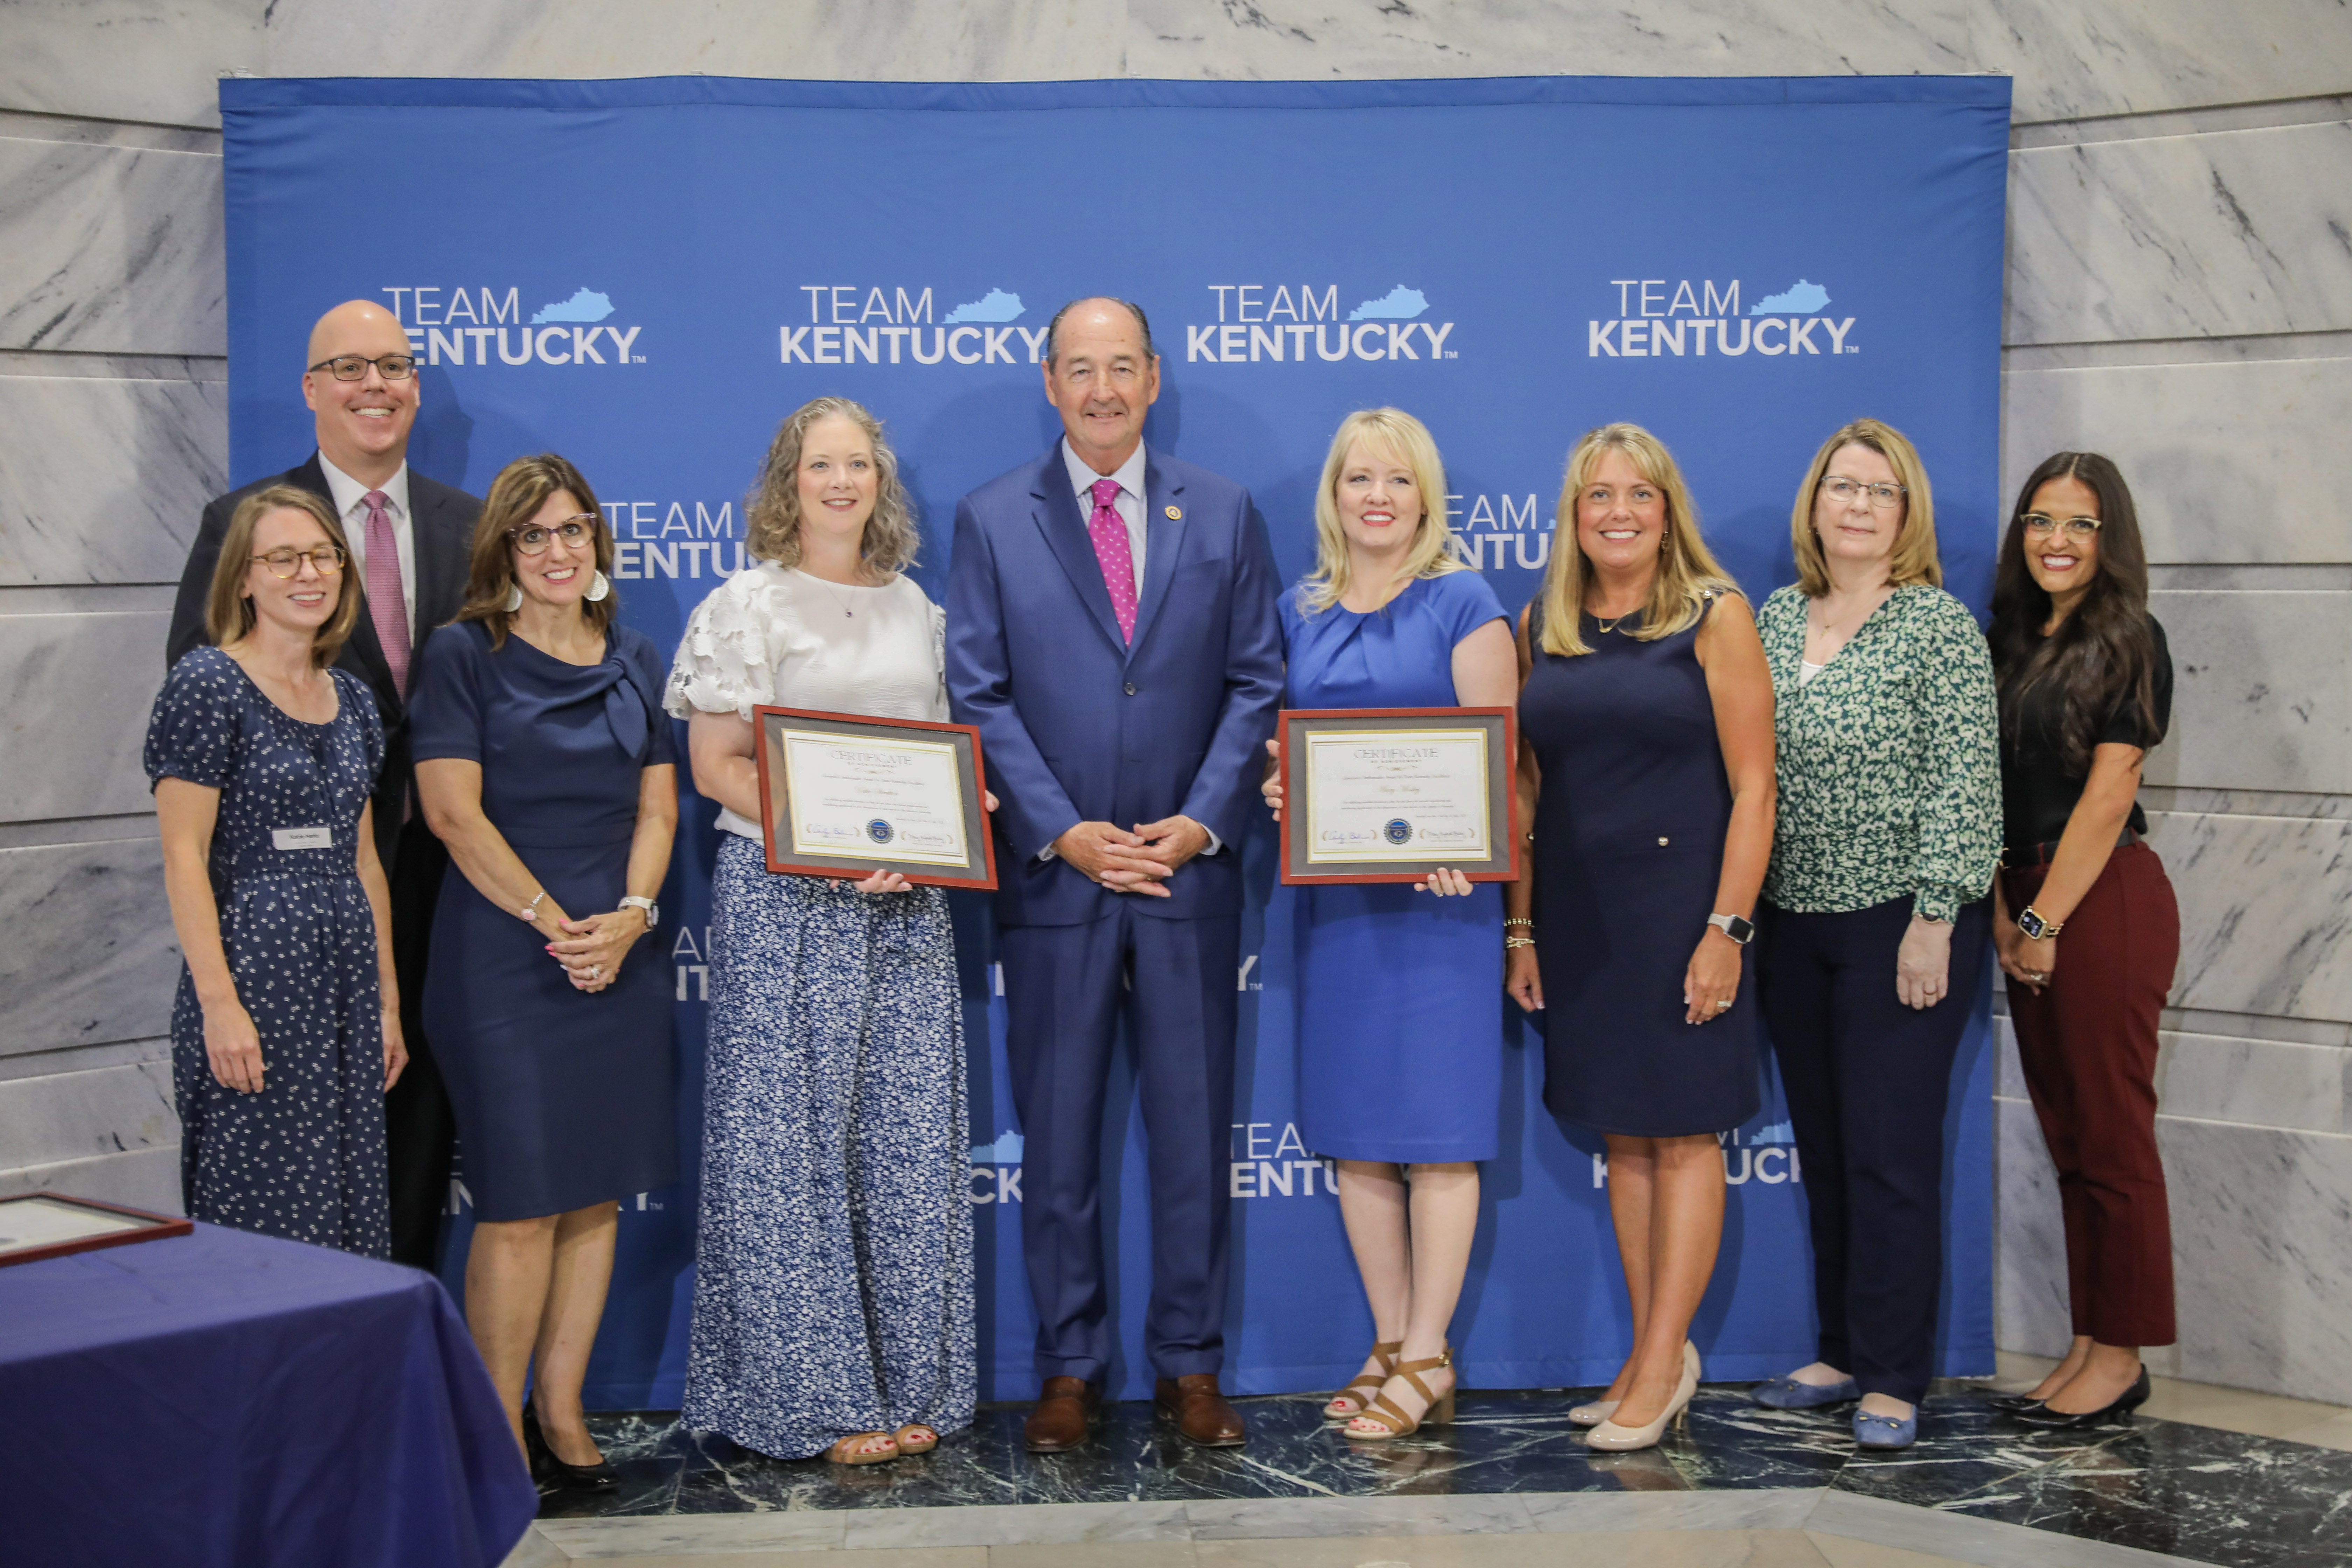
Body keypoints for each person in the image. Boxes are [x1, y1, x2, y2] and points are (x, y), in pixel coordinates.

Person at [945, 296, 1284, 1453]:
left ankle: (1193, 1366)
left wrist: (1199, 823)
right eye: (1079, 369)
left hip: (1188, 878)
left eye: (1121, 368)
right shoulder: (992, 518)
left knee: (1194, 1139)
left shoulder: (1225, 511)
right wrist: (1063, 829)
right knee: (1060, 1142)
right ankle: (1068, 1368)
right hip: (1059, 882)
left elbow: (1254, 680)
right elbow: (978, 692)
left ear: (1153, 379)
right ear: (1050, 382)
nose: (1100, 389)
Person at [669, 398, 976, 1468]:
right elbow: (717, 767)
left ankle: (913, 1382)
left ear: (880, 481)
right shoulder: (745, 606)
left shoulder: (915, 610)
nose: (840, 483)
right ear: (786, 482)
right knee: (787, 1152)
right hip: (785, 897)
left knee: (904, 1145)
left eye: (858, 465)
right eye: (820, 466)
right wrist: (836, 844)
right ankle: (814, 1398)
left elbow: (933, 761)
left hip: (904, 903)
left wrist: (947, 830)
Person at [167, 300, 481, 1271]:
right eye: (350, 367)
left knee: (418, 1134)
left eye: (395, 365)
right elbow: (195, 747)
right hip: (271, 923)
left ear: (417, 385)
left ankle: (392, 1354)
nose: (375, 386)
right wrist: (220, 986)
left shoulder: (471, 527)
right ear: (311, 389)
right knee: (264, 1185)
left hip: (436, 885)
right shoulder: (244, 522)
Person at [1506, 423, 1776, 1453]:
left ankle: (1666, 1363)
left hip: (1683, 911)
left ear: (1669, 511)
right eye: (1597, 496)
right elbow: (1529, 787)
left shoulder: (1716, 615)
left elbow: (1756, 787)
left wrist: (1727, 929)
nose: (1618, 512)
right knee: (1623, 1136)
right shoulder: (1546, 621)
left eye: (1639, 495)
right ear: (1574, 516)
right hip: (1581, 915)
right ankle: (1643, 1354)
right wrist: (1521, 923)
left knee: (1684, 1133)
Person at [410, 454, 679, 1490]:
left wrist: (630, 918)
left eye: (574, 531)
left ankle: (563, 1416)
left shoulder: (637, 655)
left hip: (618, 953)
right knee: (521, 1201)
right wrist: (552, 921)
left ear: (597, 543)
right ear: (504, 551)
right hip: (504, 958)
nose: (559, 551)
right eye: (535, 535)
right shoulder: (462, 656)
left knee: (595, 1196)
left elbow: (658, 809)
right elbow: (450, 813)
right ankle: (491, 1427)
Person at [1257, 409, 1513, 1440]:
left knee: (1438, 1138)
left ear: (1424, 496)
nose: (1377, 496)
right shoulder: (1299, 608)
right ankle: (1387, 1336)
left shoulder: (1465, 602)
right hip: (1340, 908)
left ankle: (1428, 1352)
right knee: (1359, 1139)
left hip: (1442, 906)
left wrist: (1474, 831)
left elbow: (1499, 758)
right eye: (1360, 477)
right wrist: (1284, 789)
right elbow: (1288, 746)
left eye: (1397, 481)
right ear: (1334, 493)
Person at [1749, 417, 1999, 1450]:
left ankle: (1895, 1375)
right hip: (1790, 924)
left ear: (1908, 516)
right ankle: (1843, 1346)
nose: (1857, 505)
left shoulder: (1936, 627)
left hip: (1902, 918)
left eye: (1880, 492)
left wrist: (1935, 918)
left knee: (1892, 1154)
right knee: (1827, 1146)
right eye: (1842, 487)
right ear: (1815, 502)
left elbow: (1964, 782)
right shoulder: (1770, 619)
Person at [147, 486, 403, 1253]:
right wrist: (221, 1007)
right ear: (243, 579)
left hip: (346, 991)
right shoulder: (207, 684)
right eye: (284, 557)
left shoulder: (354, 700)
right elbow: (183, 856)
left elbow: (363, 859)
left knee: (349, 1215)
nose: (310, 572)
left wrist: (387, 1002)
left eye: (323, 555)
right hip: (254, 986)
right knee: (260, 1221)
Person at [1985, 452, 2176, 1430]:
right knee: (2070, 1138)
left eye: (2081, 524)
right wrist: (1999, 909)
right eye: (2041, 519)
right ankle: (2091, 1342)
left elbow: (2110, 794)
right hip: (2023, 894)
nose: (2057, 539)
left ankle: (2125, 1353)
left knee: (2113, 1135)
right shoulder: (2011, 641)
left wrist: (2046, 919)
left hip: (2100, 900)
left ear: (2112, 540)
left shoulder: (2131, 637)